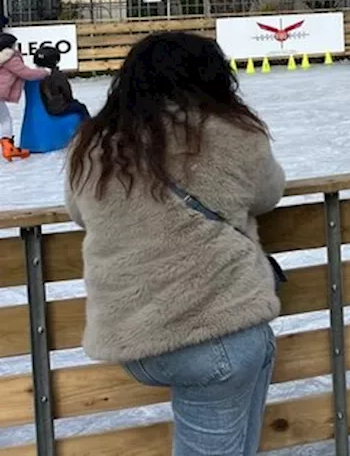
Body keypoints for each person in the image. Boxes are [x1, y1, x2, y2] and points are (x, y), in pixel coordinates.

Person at [64, 31, 285, 456]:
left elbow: (79, 211)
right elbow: (267, 194)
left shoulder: (94, 144)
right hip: (216, 330)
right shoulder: (232, 133)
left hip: (132, 336)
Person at [0, 32, 49, 161]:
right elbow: (27, 73)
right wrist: (46, 72)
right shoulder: (9, 58)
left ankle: (8, 147)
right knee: (5, 120)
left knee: (4, 118)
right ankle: (8, 147)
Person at [33, 46, 90, 119]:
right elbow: (67, 92)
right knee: (81, 107)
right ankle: (89, 126)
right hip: (57, 108)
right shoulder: (57, 75)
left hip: (38, 108)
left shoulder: (33, 75)